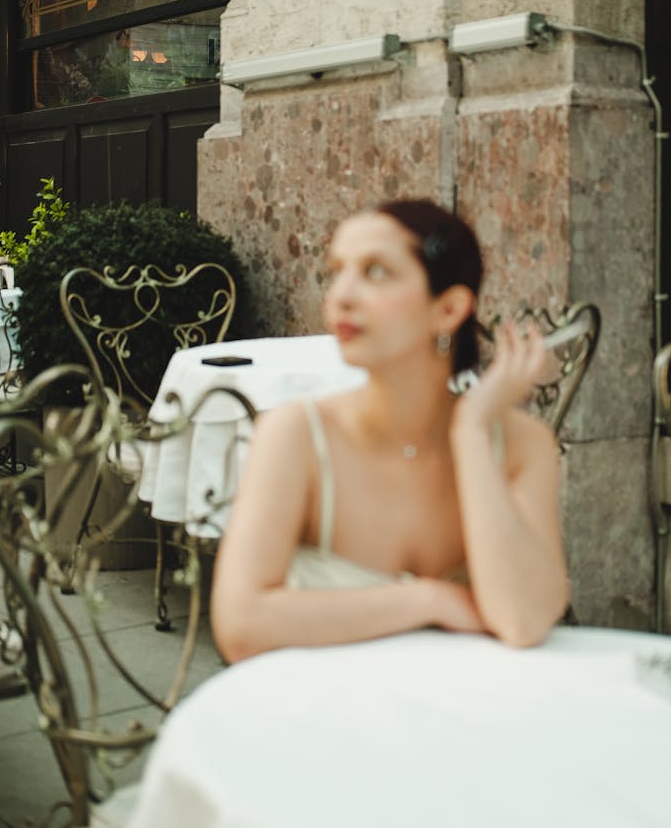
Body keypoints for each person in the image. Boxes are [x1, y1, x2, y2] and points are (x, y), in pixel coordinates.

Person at [211, 198, 569, 662]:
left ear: (449, 309)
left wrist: (472, 434)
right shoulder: (296, 435)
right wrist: (428, 600)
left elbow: (523, 619)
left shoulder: (521, 445)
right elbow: (240, 625)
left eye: (376, 272)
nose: (341, 295)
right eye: (337, 270)